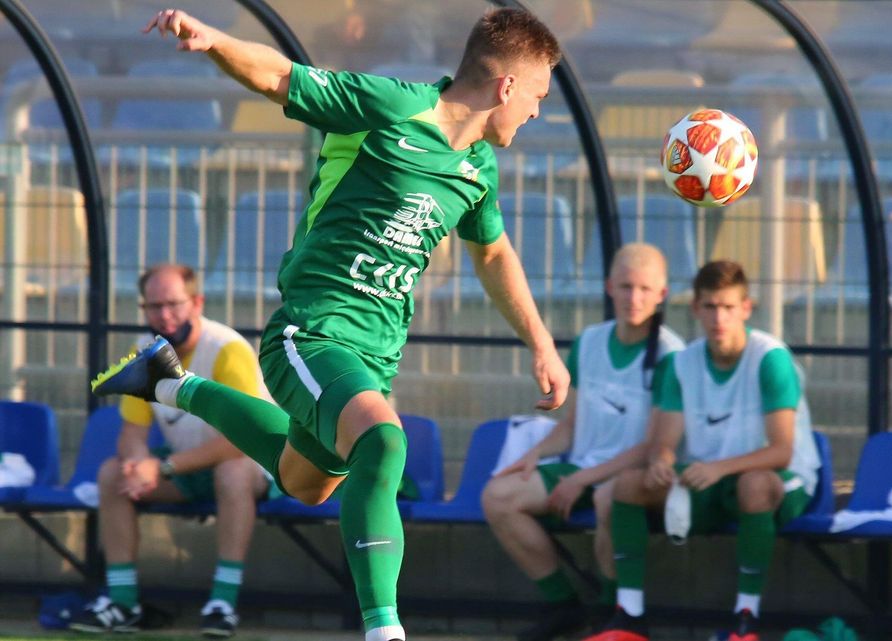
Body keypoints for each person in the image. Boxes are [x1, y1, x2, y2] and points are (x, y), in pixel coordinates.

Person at [90, 8, 567, 641]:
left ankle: (172, 385)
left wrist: (542, 344)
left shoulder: (478, 167)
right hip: (309, 334)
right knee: (385, 442)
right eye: (536, 95)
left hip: (374, 355)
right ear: (506, 86)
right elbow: (281, 79)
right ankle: (384, 631)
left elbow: (495, 254)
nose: (536, 112)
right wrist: (213, 43)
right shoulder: (391, 106)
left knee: (303, 482)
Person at [585, 260, 821, 641]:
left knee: (754, 485)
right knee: (626, 486)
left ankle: (747, 619)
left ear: (746, 308)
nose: (719, 318)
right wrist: (662, 461)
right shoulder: (683, 362)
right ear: (695, 309)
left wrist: (719, 468)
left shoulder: (770, 359)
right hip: (709, 480)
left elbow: (781, 452)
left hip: (781, 482)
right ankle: (629, 618)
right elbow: (664, 442)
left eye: (728, 307)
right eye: (710, 307)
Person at [481, 243, 685, 641]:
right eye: (626, 286)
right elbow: (573, 425)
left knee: (610, 496)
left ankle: (615, 612)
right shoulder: (590, 341)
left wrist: (582, 479)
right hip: (583, 467)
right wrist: (535, 455)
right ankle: (565, 606)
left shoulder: (671, 354)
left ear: (662, 294)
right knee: (498, 496)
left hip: (631, 475)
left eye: (645, 288)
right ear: (609, 286)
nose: (634, 297)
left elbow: (653, 446)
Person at [71, 264, 277, 638]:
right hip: (185, 467)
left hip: (254, 465)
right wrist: (136, 463)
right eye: (153, 306)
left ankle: (222, 602)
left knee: (231, 473)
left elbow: (242, 440)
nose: (164, 316)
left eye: (173, 304)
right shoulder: (143, 351)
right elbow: (133, 431)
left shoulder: (227, 348)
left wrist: (162, 467)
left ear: (197, 303)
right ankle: (123, 602)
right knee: (111, 474)